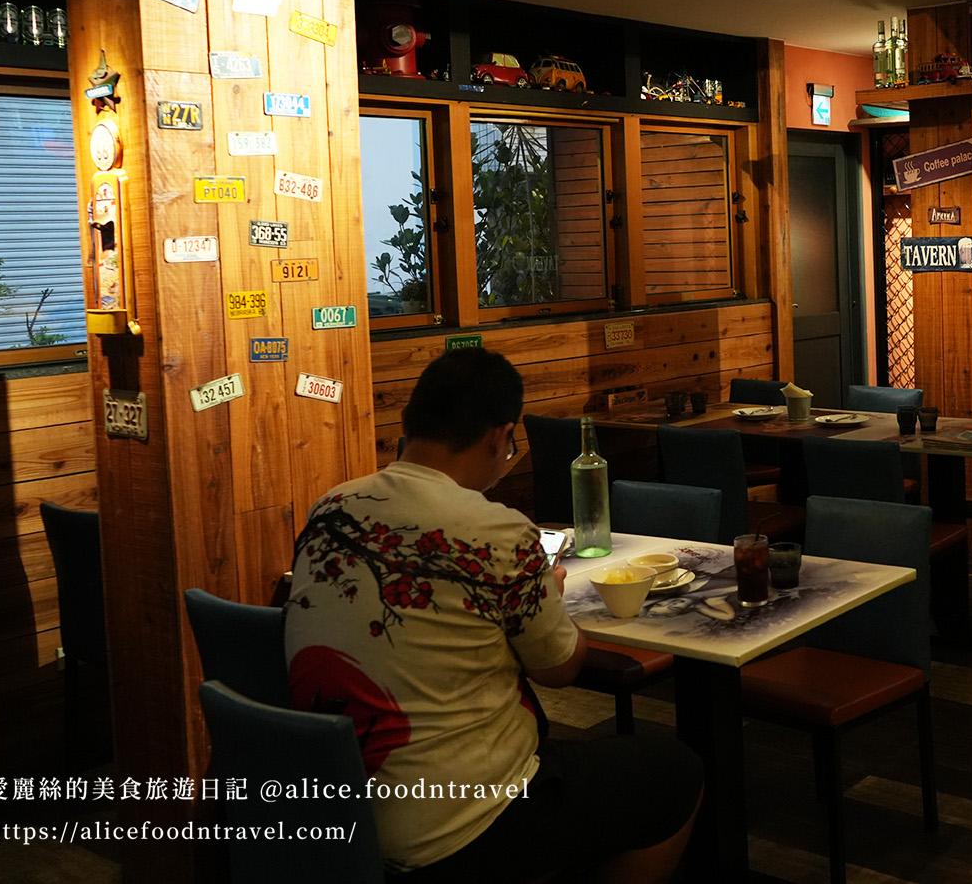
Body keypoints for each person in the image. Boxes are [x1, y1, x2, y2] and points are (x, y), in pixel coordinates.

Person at [285, 348, 702, 882]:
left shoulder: (330, 509)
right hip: (464, 825)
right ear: (498, 437)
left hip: (341, 809)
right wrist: (549, 596)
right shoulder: (499, 532)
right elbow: (561, 669)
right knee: (675, 772)